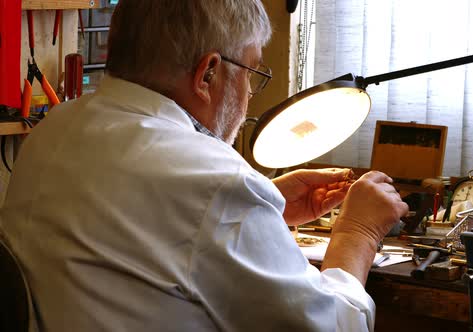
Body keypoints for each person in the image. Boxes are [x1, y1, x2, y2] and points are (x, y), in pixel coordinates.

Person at [0, 1, 408, 331]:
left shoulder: (57, 126)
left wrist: (268, 211)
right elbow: (333, 328)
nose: (249, 93)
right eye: (251, 71)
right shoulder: (215, 183)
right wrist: (358, 232)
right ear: (208, 73)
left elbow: (144, 231)